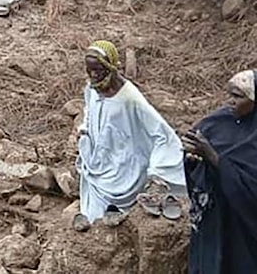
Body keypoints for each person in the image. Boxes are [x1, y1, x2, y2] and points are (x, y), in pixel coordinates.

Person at [74, 40, 186, 229]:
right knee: (93, 216)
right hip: (100, 160)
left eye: (98, 71)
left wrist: (157, 170)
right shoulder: (92, 88)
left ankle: (121, 209)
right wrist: (85, 130)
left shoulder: (129, 98)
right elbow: (90, 111)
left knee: (119, 198)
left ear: (110, 68)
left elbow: (161, 133)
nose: (93, 76)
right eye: (89, 71)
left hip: (126, 165)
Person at [183, 69, 257, 273]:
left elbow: (252, 190)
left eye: (238, 96)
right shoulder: (220, 119)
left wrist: (213, 157)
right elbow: (195, 148)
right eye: (230, 95)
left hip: (244, 226)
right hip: (215, 217)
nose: (230, 101)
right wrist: (192, 157)